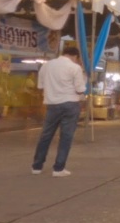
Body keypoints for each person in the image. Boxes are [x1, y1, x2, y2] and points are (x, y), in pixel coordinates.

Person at [31, 45, 87, 177]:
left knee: (46, 135)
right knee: (66, 137)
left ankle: (37, 166)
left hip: (52, 104)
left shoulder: (46, 66)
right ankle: (58, 169)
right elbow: (80, 89)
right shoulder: (75, 67)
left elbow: (41, 86)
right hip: (70, 104)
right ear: (75, 56)